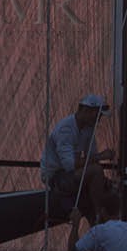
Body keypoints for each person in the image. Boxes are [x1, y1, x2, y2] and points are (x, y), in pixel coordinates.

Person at [41, 93, 115, 223]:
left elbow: (91, 155)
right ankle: (98, 213)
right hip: (57, 177)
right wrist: (102, 156)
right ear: (86, 110)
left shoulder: (88, 128)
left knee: (98, 176)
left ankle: (97, 216)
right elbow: (70, 165)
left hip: (71, 173)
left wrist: (98, 159)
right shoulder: (66, 130)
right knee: (96, 171)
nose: (98, 119)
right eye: (97, 115)